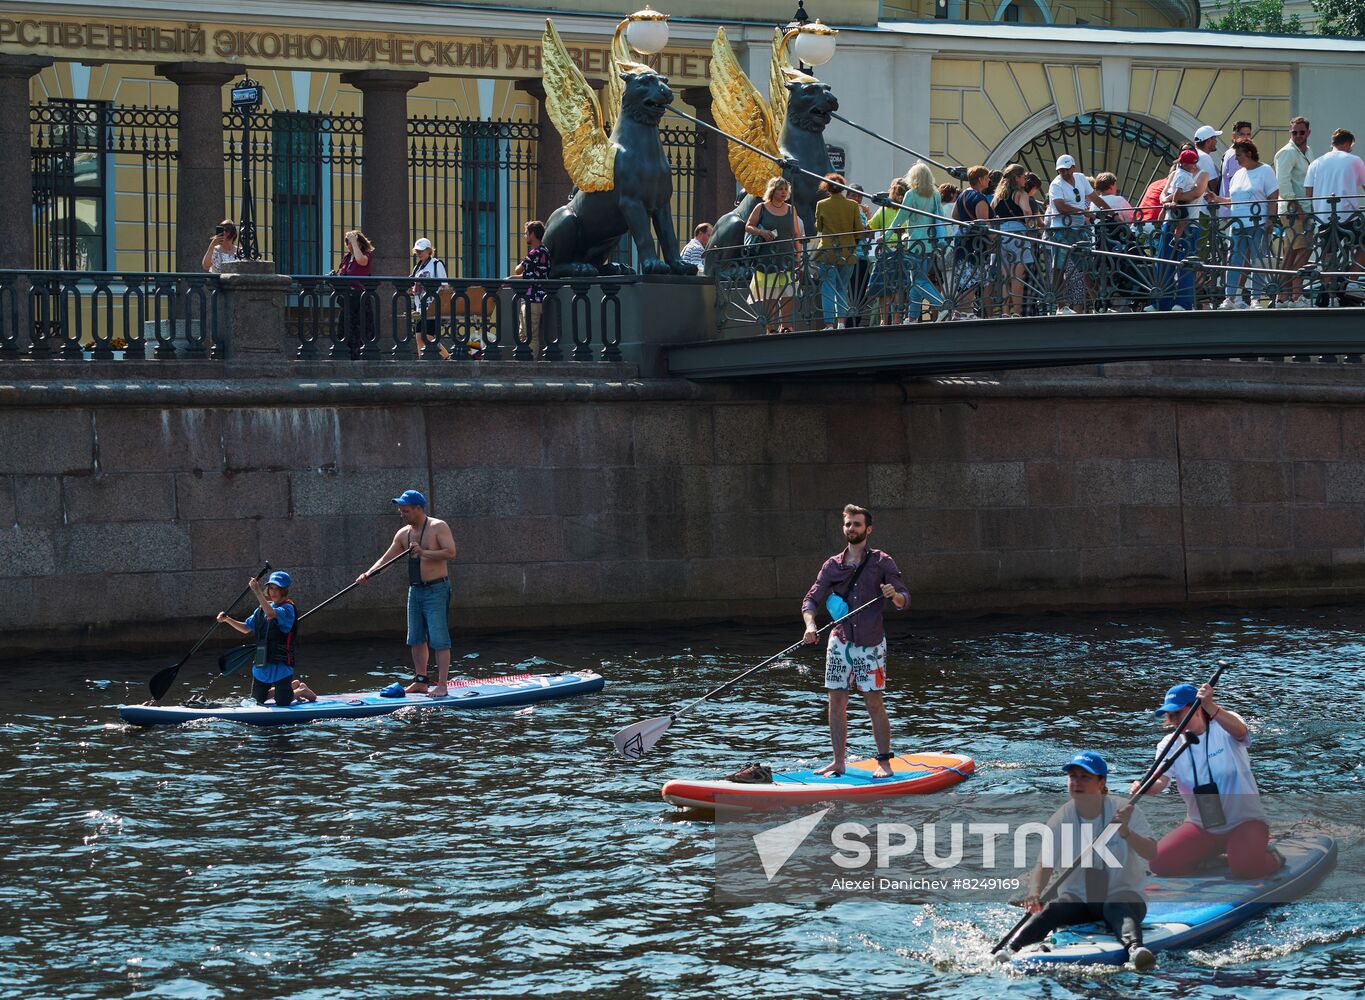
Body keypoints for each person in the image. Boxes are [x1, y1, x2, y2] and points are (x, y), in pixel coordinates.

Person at [999, 751, 1158, 971]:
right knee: (1051, 910)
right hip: (1080, 901)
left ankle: (1136, 950)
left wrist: (1126, 832)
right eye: (1073, 776)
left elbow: (1151, 853)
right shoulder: (1060, 819)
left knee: (1115, 905)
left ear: (1102, 782)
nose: (1077, 782)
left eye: (1085, 777)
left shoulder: (1126, 811)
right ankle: (1010, 950)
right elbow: (1043, 865)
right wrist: (1034, 892)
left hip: (1124, 896)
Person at [800, 504, 910, 779]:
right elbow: (811, 600)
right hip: (839, 642)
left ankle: (884, 762)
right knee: (835, 702)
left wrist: (892, 594)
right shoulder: (832, 565)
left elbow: (904, 600)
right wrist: (810, 625)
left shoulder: (882, 561)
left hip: (871, 643)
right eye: (848, 524)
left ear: (868, 529)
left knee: (873, 702)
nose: (852, 528)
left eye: (857, 524)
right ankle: (838, 763)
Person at [1133, 681, 1281, 880]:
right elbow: (1160, 783)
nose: (1173, 720)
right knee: (1159, 863)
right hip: (1202, 826)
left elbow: (1242, 733)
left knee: (1244, 869)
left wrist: (1211, 706)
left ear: (1197, 708)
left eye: (1178, 713)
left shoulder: (1223, 726)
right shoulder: (1169, 744)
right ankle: (1212, 858)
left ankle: (1273, 857)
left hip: (1245, 822)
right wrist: (1143, 787)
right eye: (1170, 715)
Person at [356, 489, 458, 698]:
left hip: (436, 589)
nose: (402, 514)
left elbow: (451, 553)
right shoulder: (403, 534)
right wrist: (369, 573)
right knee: (416, 638)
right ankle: (421, 681)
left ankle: (443, 685)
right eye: (401, 510)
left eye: (406, 510)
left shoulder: (438, 526)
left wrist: (423, 552)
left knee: (439, 639)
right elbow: (385, 560)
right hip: (416, 590)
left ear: (419, 509)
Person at [216, 571, 298, 707]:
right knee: (256, 702)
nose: (273, 592)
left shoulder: (288, 609)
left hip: (281, 667)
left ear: (284, 590)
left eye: (277, 588)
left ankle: (300, 691)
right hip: (262, 666)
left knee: (282, 702)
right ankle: (292, 686)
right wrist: (227, 620)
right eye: (271, 588)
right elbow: (245, 628)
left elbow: (271, 614)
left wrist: (257, 591)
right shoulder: (260, 610)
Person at [1219, 139, 1279, 310]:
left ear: (1249, 154)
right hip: (1238, 224)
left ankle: (1256, 299)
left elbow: (1273, 196)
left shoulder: (1265, 170)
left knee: (1257, 260)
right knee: (1235, 260)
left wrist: (1270, 219)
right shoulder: (1238, 174)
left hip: (1257, 223)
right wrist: (1217, 199)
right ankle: (1229, 298)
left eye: (1238, 155)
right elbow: (1236, 200)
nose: (1236, 159)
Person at [1047, 154, 1108, 314]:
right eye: (1061, 171)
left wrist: (1112, 212)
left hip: (1079, 229)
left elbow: (1094, 197)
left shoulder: (1080, 178)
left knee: (1086, 267)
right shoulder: (1056, 184)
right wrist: (1082, 211)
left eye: (1067, 170)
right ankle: (1061, 307)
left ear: (1073, 167)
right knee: (1060, 267)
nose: (1064, 173)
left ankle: (1099, 305)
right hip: (1061, 229)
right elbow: (1060, 206)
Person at [744, 176, 804, 334]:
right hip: (766, 260)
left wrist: (798, 256)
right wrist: (761, 232)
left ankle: (786, 326)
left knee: (788, 294)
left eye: (786, 189)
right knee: (768, 295)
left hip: (786, 258)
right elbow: (748, 226)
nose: (784, 192)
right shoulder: (761, 208)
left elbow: (796, 234)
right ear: (773, 190)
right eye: (780, 189)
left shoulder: (791, 209)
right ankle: (770, 327)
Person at [888, 164, 947, 322]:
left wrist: (886, 236)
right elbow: (940, 217)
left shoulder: (911, 194)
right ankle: (912, 318)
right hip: (931, 244)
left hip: (915, 244)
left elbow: (900, 218)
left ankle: (942, 306)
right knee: (917, 280)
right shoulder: (935, 195)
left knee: (918, 280)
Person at [1305, 127, 1365, 275]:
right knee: (1363, 246)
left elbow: (1308, 193)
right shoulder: (1354, 160)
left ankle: (1330, 293)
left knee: (1328, 256)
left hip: (1323, 217)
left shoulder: (1316, 163)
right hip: (1348, 217)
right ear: (1347, 144)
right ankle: (1351, 281)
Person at [1154, 150, 1209, 311]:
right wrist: (1167, 200)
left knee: (1185, 264)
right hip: (1170, 221)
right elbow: (1163, 194)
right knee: (1163, 261)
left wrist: (1170, 199)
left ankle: (1183, 303)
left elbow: (1194, 194)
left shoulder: (1202, 174)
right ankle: (1160, 302)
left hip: (1189, 224)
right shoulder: (1177, 174)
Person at [814, 173, 865, 329]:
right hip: (848, 253)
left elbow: (819, 227)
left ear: (827, 188)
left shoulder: (822, 204)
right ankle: (841, 323)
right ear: (843, 188)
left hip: (827, 252)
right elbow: (859, 230)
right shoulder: (852, 205)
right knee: (842, 288)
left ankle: (829, 324)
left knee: (828, 287)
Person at [1274, 117, 1315, 307]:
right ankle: (1295, 295)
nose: (1298, 135)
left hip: (1300, 209)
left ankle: (1283, 296)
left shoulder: (1307, 152)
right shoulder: (1287, 152)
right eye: (1294, 132)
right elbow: (1282, 182)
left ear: (1308, 133)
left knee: (1291, 253)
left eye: (1301, 132)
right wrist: (1297, 207)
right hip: (1294, 211)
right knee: (1303, 249)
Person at [864, 177, 910, 325]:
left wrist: (867, 216)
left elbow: (870, 228)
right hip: (901, 251)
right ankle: (897, 319)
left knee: (884, 289)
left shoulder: (884, 209)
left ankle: (884, 320)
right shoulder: (908, 210)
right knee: (898, 287)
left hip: (884, 252)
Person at [951, 164, 994, 319]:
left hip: (961, 238)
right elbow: (984, 223)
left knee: (964, 275)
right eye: (987, 177)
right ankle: (967, 312)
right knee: (973, 276)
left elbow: (954, 216)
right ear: (981, 179)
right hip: (975, 242)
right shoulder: (979, 198)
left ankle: (960, 311)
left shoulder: (962, 195)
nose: (989, 180)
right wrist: (994, 239)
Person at [992, 164, 1033, 317]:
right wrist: (1031, 225)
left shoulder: (998, 196)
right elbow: (1027, 211)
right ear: (1016, 178)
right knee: (1017, 277)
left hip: (1000, 234)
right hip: (1017, 234)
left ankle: (1004, 312)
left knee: (1004, 277)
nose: (1025, 180)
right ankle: (1016, 312)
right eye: (1023, 177)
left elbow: (991, 213)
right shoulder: (1020, 194)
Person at [333, 229, 374, 359]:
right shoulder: (346, 257)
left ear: (360, 243)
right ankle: (345, 356)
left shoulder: (365, 255)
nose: (349, 244)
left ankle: (358, 357)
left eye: (351, 242)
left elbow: (362, 261)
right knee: (344, 329)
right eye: (347, 242)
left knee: (359, 330)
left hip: (360, 298)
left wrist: (355, 243)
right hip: (347, 298)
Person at [512, 220, 550, 354]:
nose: (524, 236)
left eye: (526, 233)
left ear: (532, 234)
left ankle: (530, 364)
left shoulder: (534, 253)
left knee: (529, 335)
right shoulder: (545, 251)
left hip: (532, 298)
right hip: (537, 298)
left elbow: (518, 270)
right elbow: (531, 275)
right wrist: (511, 279)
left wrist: (514, 275)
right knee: (526, 333)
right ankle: (525, 360)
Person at [408, 237, 450, 349]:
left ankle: (447, 358)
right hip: (421, 307)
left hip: (433, 306)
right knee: (419, 337)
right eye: (417, 251)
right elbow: (415, 285)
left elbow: (444, 285)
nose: (419, 253)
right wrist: (412, 290)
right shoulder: (418, 267)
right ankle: (423, 363)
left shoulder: (436, 264)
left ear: (428, 250)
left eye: (421, 251)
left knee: (428, 337)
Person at [1222, 120, 1254, 197]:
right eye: (1242, 134)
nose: (1246, 138)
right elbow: (1235, 185)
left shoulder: (1231, 152)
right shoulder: (1235, 154)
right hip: (1234, 206)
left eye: (1248, 134)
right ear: (1234, 136)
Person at [1193, 125, 1223, 195]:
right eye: (1214, 138)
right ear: (1208, 141)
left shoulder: (1193, 154)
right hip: (1198, 204)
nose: (1216, 141)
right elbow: (1215, 186)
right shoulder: (1204, 157)